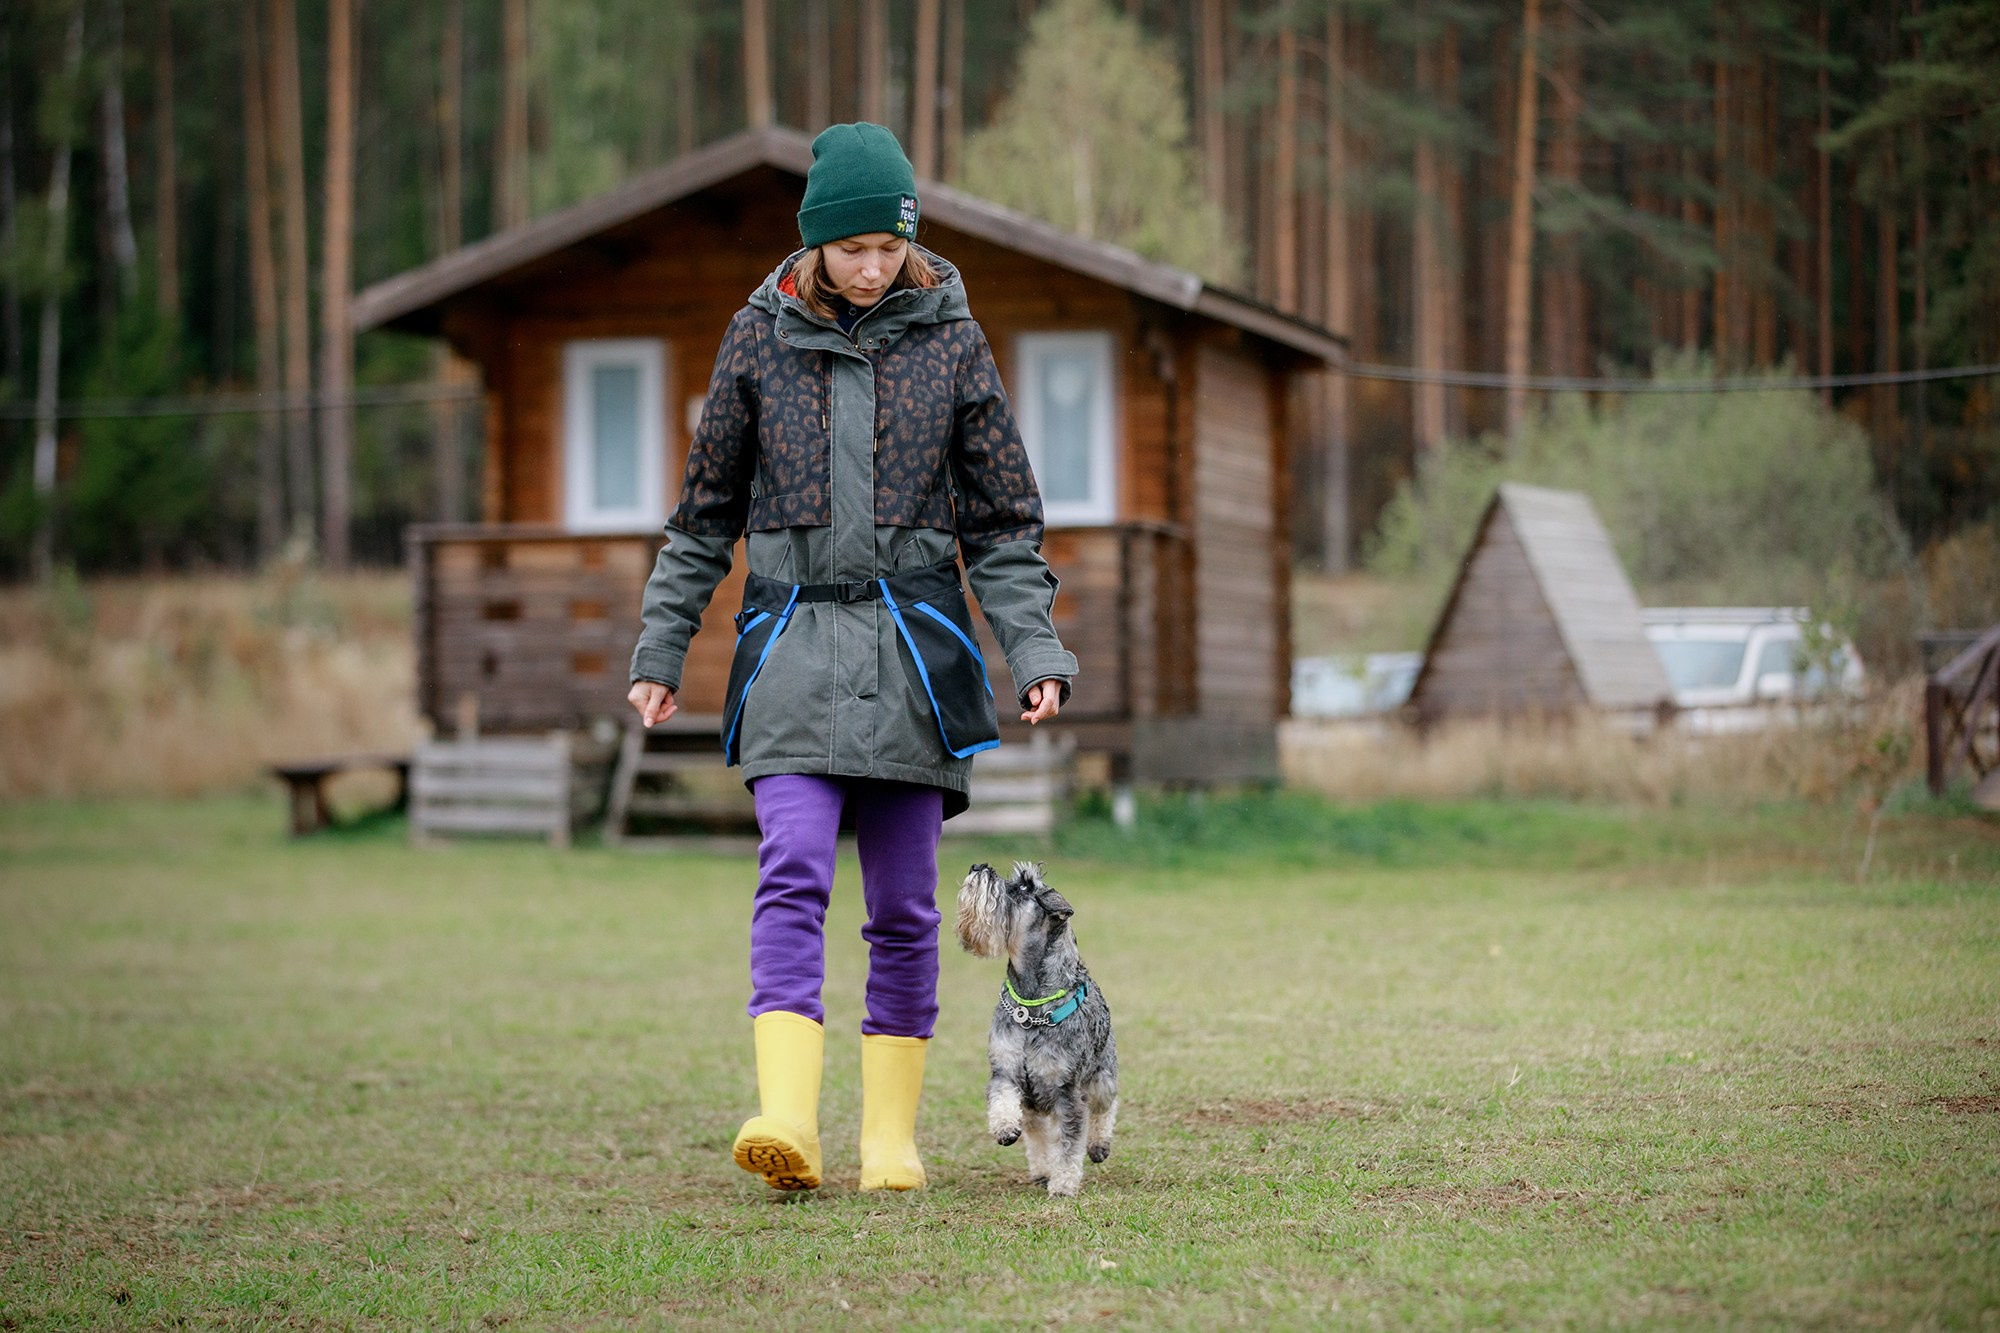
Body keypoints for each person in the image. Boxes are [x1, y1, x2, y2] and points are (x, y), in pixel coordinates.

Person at [625, 122, 1077, 1193]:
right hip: (785, 647)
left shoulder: (954, 342)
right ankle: (786, 1118)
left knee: (905, 906)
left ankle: (888, 1139)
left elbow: (1004, 524)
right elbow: (701, 518)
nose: (872, 268)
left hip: (914, 657)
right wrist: (660, 645)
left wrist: (1034, 649)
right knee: (788, 870)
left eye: (888, 247)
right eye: (851, 249)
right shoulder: (755, 339)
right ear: (814, 245)